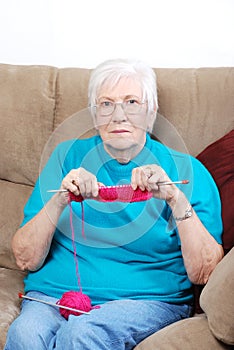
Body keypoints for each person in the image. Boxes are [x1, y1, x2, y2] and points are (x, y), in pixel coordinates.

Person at [5, 58, 223, 350]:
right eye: (106, 104)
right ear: (95, 116)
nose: (118, 115)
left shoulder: (188, 170)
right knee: (25, 335)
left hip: (144, 300)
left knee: (81, 334)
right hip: (54, 295)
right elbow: (25, 258)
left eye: (131, 102)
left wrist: (174, 197)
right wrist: (60, 198)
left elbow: (204, 272)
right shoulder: (66, 156)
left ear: (151, 112)